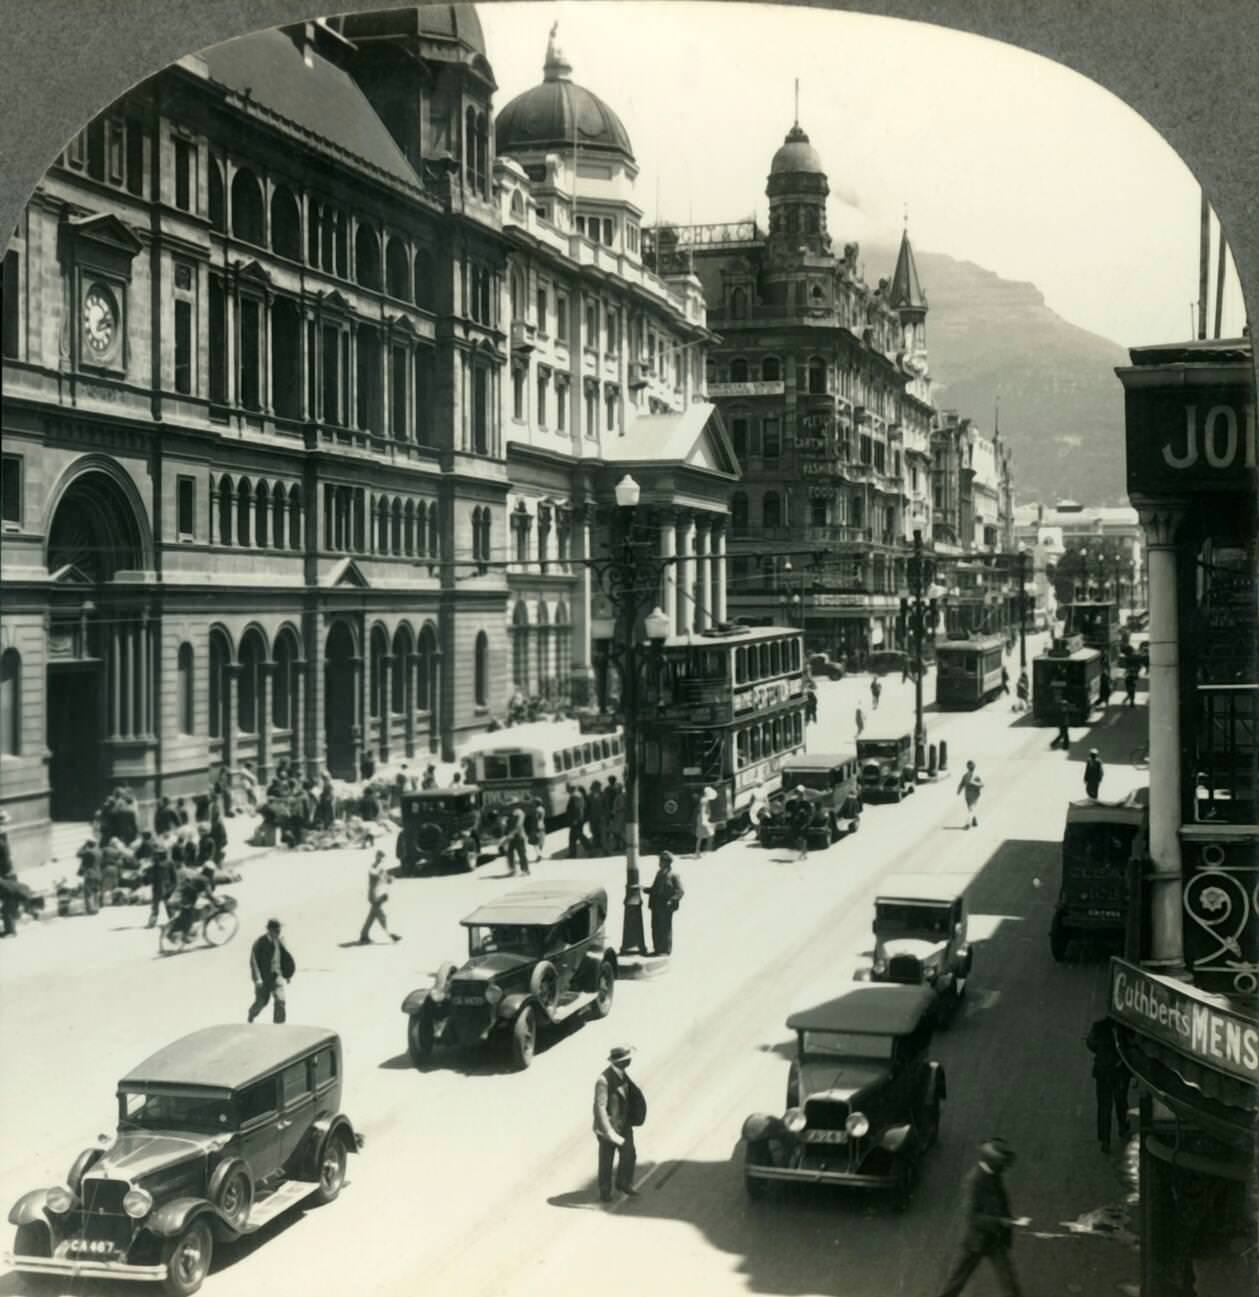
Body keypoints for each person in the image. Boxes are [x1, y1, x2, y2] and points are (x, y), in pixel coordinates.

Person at [934, 1138, 1025, 1297]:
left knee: (1009, 1281)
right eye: (1001, 1163)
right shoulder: (974, 1181)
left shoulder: (994, 1174)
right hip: (976, 1240)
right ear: (993, 1162)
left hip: (994, 1238)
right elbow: (972, 1217)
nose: (1004, 1167)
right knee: (956, 1281)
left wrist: (1009, 1219)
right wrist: (1002, 1221)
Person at [592, 1045, 646, 1203]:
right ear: (619, 1062)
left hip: (624, 1124)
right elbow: (600, 1108)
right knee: (606, 1160)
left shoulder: (623, 1074)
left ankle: (624, 1183)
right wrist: (608, 1132)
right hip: (609, 1128)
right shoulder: (603, 1081)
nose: (630, 1061)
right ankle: (605, 1191)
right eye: (627, 1059)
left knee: (629, 1154)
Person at [1085, 1018, 1131, 1153]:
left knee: (1104, 1105)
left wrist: (1101, 1053)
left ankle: (1105, 1140)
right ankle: (1122, 1126)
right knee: (1121, 1100)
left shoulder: (1099, 1026)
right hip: (1119, 1071)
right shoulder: (1126, 1027)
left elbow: (1090, 1043)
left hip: (1103, 1071)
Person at [248, 918, 295, 1024]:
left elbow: (285, 958)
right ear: (269, 930)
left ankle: (278, 1025)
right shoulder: (260, 942)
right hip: (264, 979)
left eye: (279, 930)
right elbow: (254, 962)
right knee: (261, 1002)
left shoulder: (280, 941)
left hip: (277, 976)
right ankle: (251, 1014)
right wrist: (258, 978)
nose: (279, 932)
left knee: (280, 1000)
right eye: (276, 930)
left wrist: (288, 974)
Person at [358, 849, 402, 944]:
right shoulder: (374, 867)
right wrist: (383, 875)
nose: (381, 859)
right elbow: (374, 874)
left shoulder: (381, 868)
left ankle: (364, 935)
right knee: (382, 916)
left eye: (382, 858)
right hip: (374, 896)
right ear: (376, 857)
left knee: (372, 916)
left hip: (379, 895)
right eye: (379, 857)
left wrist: (390, 879)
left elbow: (387, 880)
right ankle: (390, 935)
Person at [647, 853, 684, 955]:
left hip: (666, 906)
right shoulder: (659, 874)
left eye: (661, 861)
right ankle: (657, 949)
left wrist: (672, 900)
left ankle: (666, 950)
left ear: (667, 863)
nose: (659, 863)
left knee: (665, 928)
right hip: (656, 905)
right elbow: (654, 888)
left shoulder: (673, 875)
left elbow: (680, 891)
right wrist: (645, 889)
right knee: (655, 927)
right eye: (660, 861)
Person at [501, 801, 530, 877]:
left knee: (521, 853)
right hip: (511, 837)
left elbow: (519, 825)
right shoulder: (509, 814)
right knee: (509, 853)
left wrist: (511, 834)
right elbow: (507, 826)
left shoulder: (520, 813)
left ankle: (525, 870)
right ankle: (513, 870)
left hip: (519, 836)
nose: (511, 806)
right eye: (510, 805)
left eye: (512, 805)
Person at [789, 785, 814, 861]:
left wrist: (807, 821)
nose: (798, 794)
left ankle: (803, 853)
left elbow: (810, 813)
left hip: (803, 822)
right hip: (795, 822)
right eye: (797, 792)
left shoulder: (806, 802)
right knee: (795, 838)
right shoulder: (794, 801)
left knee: (803, 838)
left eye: (799, 792)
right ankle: (804, 851)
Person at [957, 761, 983, 829]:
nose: (971, 768)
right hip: (968, 795)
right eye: (969, 767)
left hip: (975, 795)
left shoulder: (976, 776)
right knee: (970, 808)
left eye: (972, 766)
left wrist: (973, 783)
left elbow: (981, 785)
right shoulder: (966, 776)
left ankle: (968, 823)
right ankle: (974, 820)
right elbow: (962, 783)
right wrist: (959, 790)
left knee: (971, 808)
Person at [693, 787, 717, 858]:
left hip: (702, 818)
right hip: (703, 819)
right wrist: (704, 820)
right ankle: (707, 850)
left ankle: (699, 852)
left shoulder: (703, 800)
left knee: (700, 837)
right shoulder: (705, 801)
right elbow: (703, 811)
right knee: (709, 834)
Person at [567, 785, 588, 858]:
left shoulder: (575, 796)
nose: (567, 791)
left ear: (570, 789)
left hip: (576, 820)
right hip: (578, 819)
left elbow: (577, 809)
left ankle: (590, 849)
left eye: (567, 789)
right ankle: (573, 853)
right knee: (576, 836)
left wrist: (576, 819)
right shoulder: (578, 795)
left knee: (576, 836)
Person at [587, 780, 606, 855]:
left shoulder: (602, 795)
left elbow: (606, 806)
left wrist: (605, 816)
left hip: (600, 817)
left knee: (602, 834)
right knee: (595, 833)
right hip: (593, 818)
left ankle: (604, 850)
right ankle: (596, 850)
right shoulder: (590, 796)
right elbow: (588, 807)